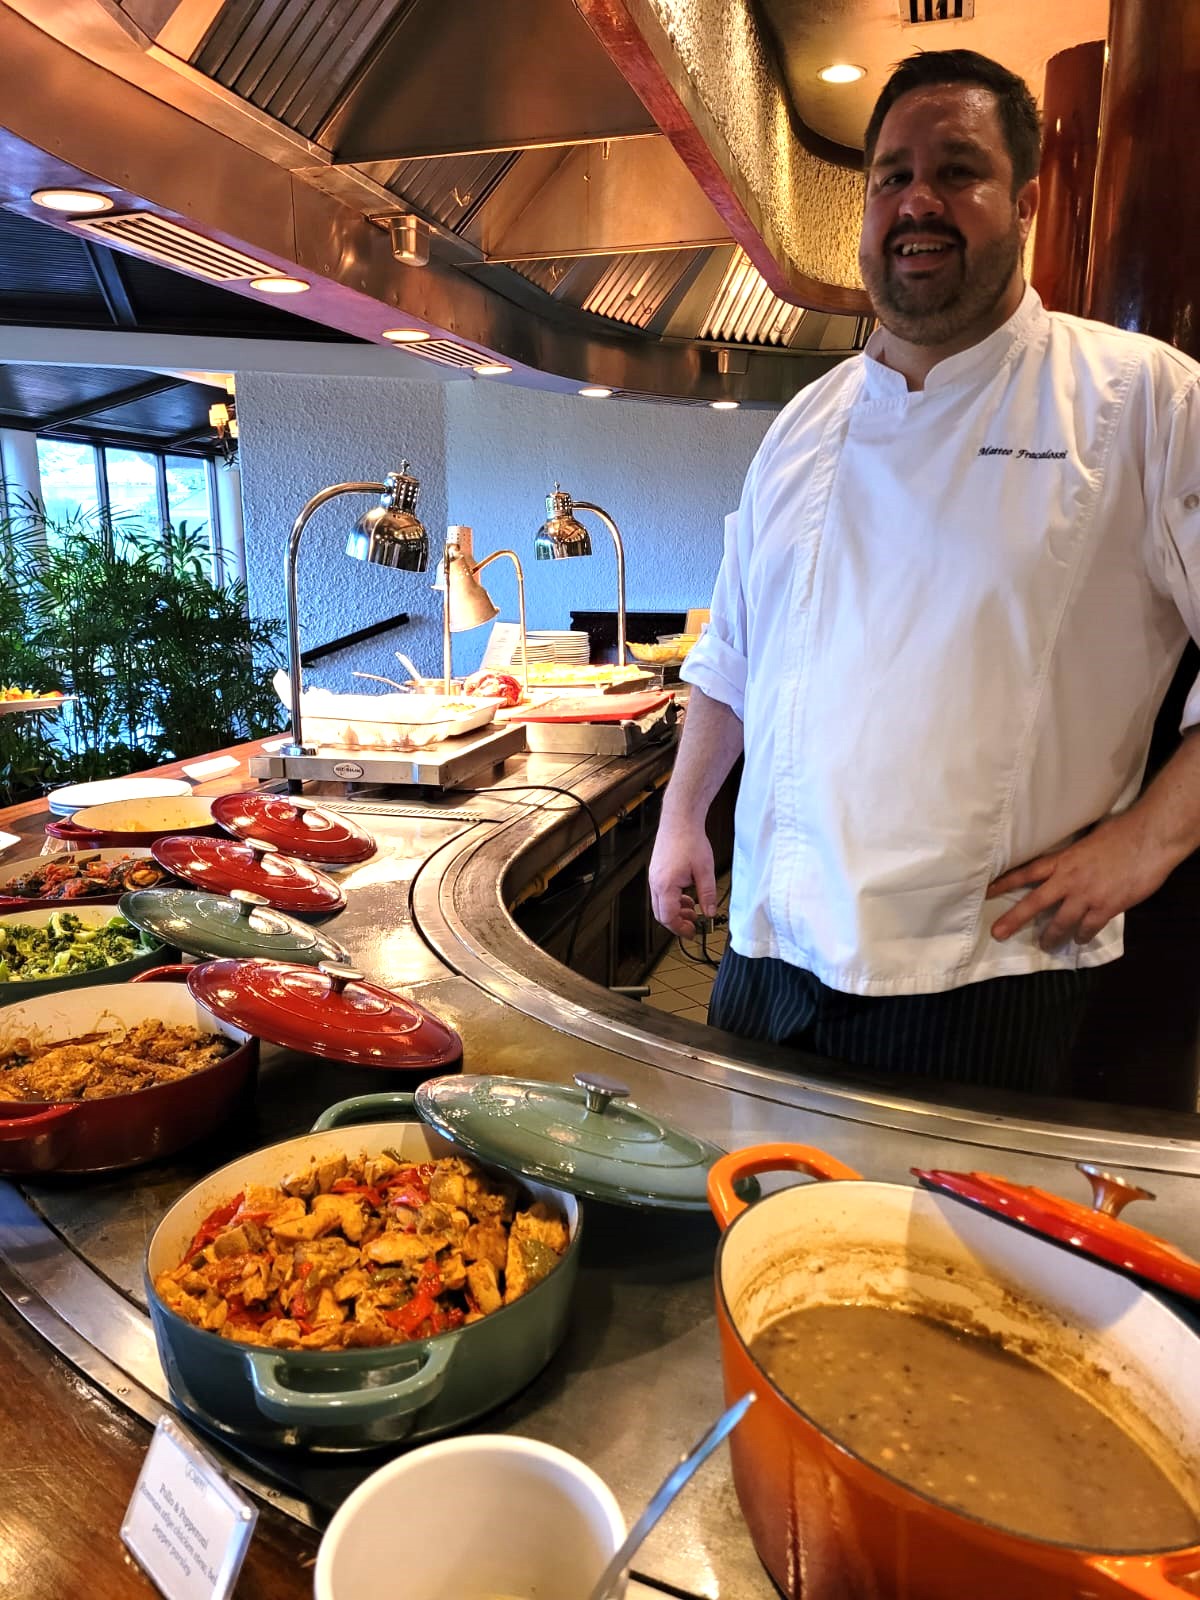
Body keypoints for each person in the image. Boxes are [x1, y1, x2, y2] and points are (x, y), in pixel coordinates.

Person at [648, 48, 1200, 1094]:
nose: (918, 202)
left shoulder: (1142, 402)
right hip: (767, 958)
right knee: (741, 1237)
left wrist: (1147, 843)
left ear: (1027, 201)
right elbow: (735, 651)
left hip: (982, 973)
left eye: (958, 171)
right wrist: (683, 818)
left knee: (926, 1264)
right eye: (893, 175)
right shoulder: (805, 423)